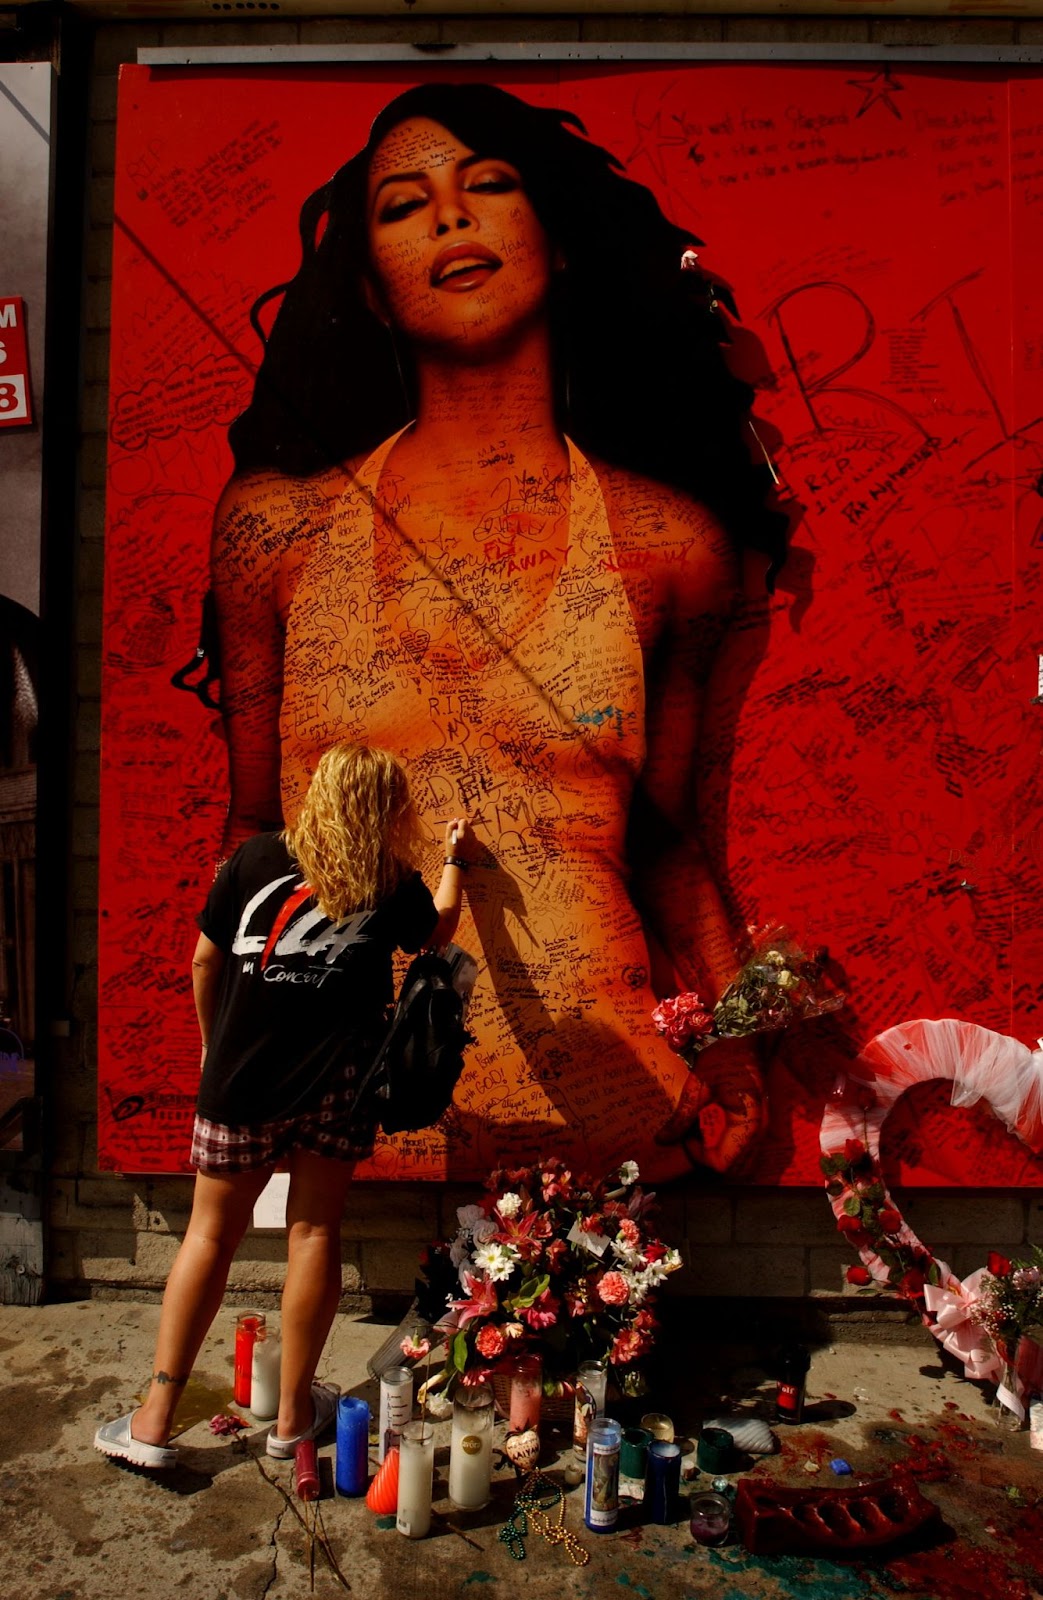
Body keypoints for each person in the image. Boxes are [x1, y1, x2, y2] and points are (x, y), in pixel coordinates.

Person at [209, 83, 788, 1181]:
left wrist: (732, 1042)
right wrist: (228, 1041)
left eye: (487, 186)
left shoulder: (666, 545)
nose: (450, 218)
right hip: (351, 1115)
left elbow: (666, 840)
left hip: (606, 1110)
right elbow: (250, 830)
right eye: (402, 204)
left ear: (556, 243)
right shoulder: (273, 533)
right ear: (371, 293)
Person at [94, 742, 476, 1468]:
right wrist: (456, 858)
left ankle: (153, 1418)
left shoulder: (255, 858)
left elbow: (205, 959)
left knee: (209, 1236)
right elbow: (439, 931)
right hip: (340, 1086)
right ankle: (294, 1420)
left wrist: (214, 1046)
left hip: (241, 1082)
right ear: (386, 808)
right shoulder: (388, 879)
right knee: (313, 1234)